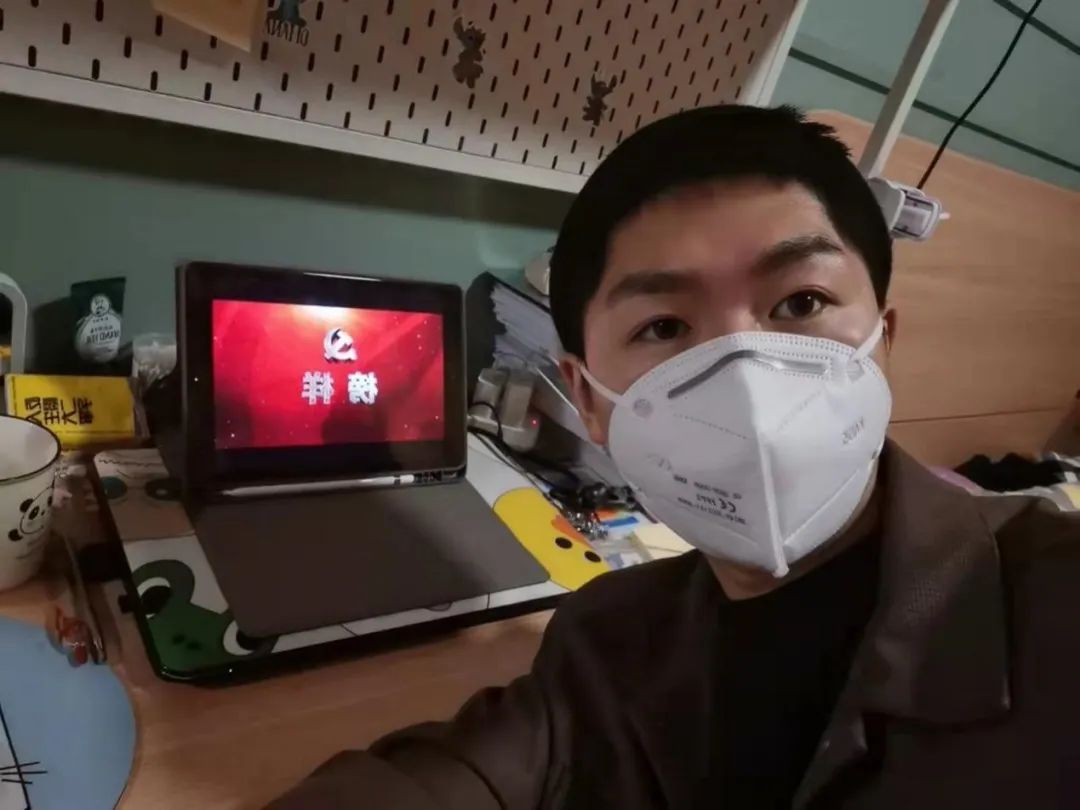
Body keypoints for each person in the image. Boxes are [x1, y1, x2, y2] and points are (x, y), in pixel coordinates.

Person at [269, 106, 1080, 809]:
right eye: (663, 327)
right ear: (586, 399)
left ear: (883, 341)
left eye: (801, 301)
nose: (745, 376)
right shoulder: (608, 634)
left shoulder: (1055, 604)